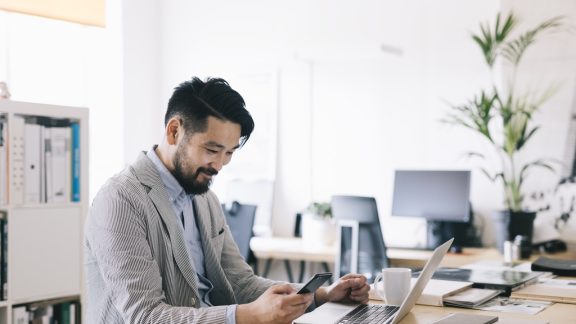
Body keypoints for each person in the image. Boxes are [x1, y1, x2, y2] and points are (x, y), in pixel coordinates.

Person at [84, 76, 370, 324]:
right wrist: (248, 316)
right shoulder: (120, 200)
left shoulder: (204, 198)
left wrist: (321, 295)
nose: (219, 165)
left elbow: (240, 283)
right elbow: (145, 317)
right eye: (212, 149)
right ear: (174, 131)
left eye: (229, 153)